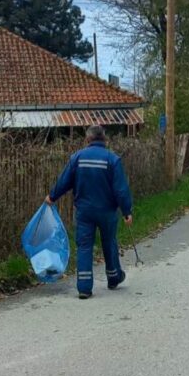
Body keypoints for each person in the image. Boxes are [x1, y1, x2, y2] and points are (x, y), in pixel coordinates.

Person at [46, 125, 133, 300]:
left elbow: (64, 181)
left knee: (84, 246)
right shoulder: (112, 159)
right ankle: (114, 277)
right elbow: (121, 189)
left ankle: (84, 288)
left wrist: (52, 196)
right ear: (105, 140)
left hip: (84, 212)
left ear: (87, 140)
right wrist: (126, 211)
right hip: (107, 211)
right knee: (109, 242)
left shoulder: (77, 158)